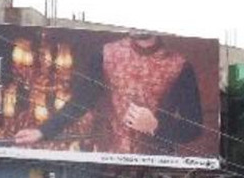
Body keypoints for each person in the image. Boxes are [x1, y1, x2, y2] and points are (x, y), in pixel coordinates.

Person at [13, 31, 205, 158]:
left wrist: (156, 127)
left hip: (157, 168)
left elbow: (194, 128)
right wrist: (44, 131)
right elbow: (80, 102)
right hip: (108, 160)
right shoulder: (106, 54)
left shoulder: (180, 65)